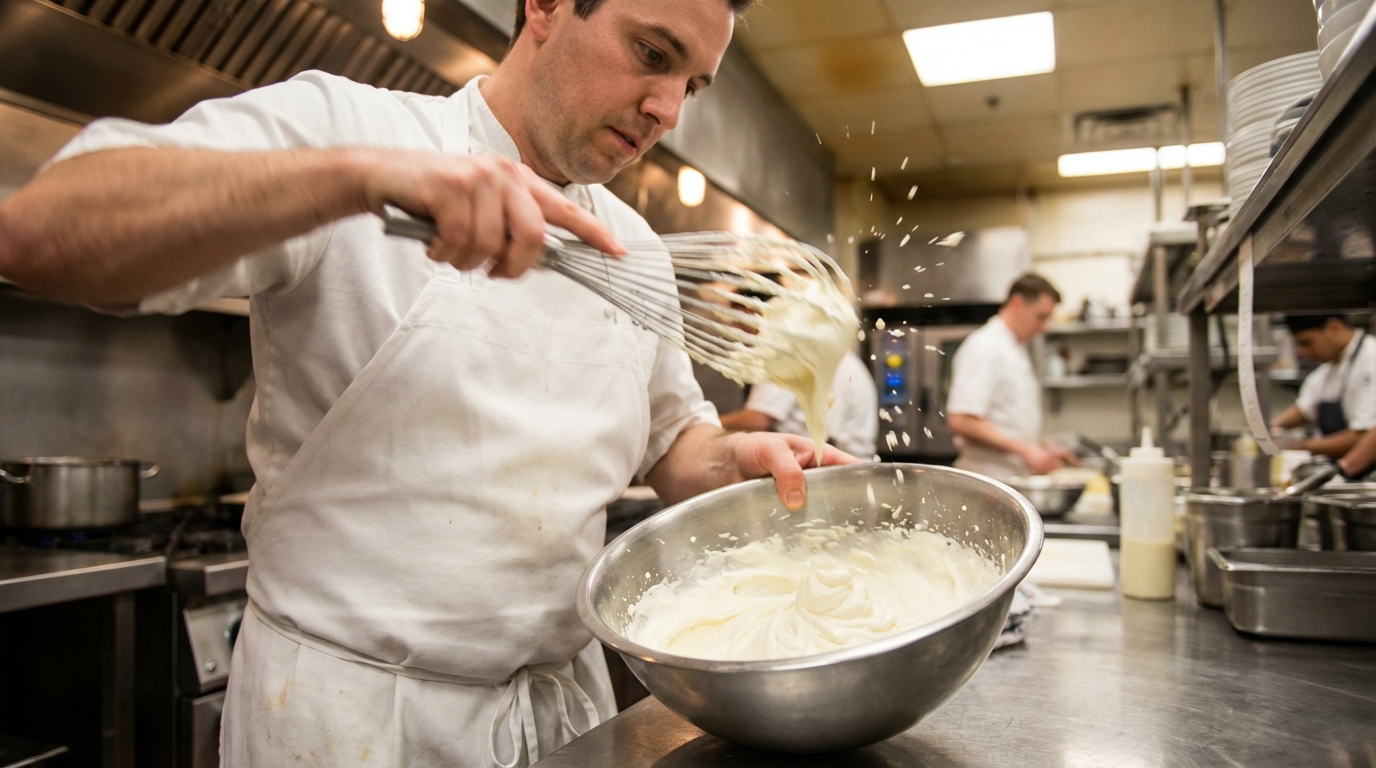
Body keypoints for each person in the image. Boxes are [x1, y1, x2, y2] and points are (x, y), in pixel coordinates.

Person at [0, 0, 859, 764]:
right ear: (545, 6)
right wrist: (356, 180)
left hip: (563, 717)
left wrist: (734, 460)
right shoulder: (351, 130)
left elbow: (672, 443)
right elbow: (39, 233)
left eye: (692, 84)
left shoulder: (636, 250)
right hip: (352, 724)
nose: (668, 109)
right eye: (651, 54)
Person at [946, 273, 1077, 480]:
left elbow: (1008, 419)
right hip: (988, 479)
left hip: (1010, 478)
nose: (1044, 327)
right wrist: (1026, 450)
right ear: (1017, 303)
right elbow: (962, 420)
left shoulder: (1015, 347)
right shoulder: (985, 347)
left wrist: (1041, 447)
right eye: (1041, 317)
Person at [720, 349, 879, 458]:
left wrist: (708, 422)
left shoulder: (790, 352)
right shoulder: (844, 356)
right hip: (856, 467)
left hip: (827, 471)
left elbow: (757, 420)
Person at [1270, 314, 1375, 459]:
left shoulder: (1371, 359)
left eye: (1307, 343)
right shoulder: (1330, 367)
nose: (1304, 352)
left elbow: (1364, 436)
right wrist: (1273, 428)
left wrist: (1296, 446)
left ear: (1334, 327)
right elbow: (1303, 410)